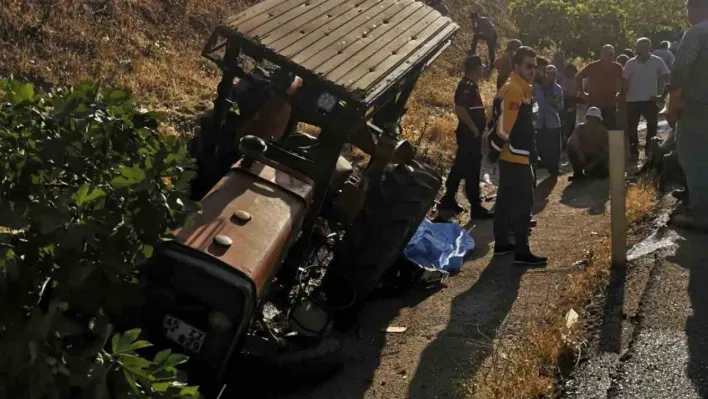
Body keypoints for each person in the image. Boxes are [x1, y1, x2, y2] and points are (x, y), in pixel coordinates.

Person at [488, 46, 548, 266]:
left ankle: (502, 244)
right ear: (516, 66)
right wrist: (495, 149)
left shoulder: (517, 87)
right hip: (515, 155)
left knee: (504, 201)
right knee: (524, 203)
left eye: (534, 66)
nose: (533, 70)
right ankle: (521, 251)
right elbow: (504, 126)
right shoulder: (515, 89)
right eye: (528, 66)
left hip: (514, 153)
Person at [666, 0, 708, 231]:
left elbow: (680, 71)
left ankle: (700, 212)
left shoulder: (697, 33)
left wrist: (672, 107)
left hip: (699, 107)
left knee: (694, 157)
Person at [439, 54, 494, 219]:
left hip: (470, 135)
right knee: (472, 170)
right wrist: (473, 128)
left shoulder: (471, 85)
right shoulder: (467, 86)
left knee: (460, 167)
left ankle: (448, 198)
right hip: (469, 135)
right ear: (475, 68)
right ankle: (475, 207)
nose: (483, 68)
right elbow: (460, 109)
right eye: (481, 66)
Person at [623, 37, 670, 160]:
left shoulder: (657, 61)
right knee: (632, 127)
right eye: (638, 47)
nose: (640, 50)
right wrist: (622, 97)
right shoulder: (630, 63)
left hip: (650, 100)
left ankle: (650, 151)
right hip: (632, 100)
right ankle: (633, 152)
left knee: (652, 126)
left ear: (649, 48)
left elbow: (668, 78)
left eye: (643, 47)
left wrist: (662, 96)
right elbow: (625, 82)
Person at [576, 44, 623, 129]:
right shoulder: (592, 66)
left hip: (610, 104)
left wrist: (619, 93)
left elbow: (621, 81)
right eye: (607, 54)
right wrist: (582, 93)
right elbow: (578, 77)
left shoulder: (617, 67)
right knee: (593, 128)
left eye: (611, 54)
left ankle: (611, 143)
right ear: (601, 54)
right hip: (594, 104)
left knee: (611, 129)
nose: (609, 56)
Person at [533, 65, 564, 175]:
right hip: (539, 121)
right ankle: (539, 165)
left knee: (554, 147)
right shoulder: (536, 87)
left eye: (554, 74)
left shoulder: (558, 88)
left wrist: (554, 103)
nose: (552, 77)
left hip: (553, 121)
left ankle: (554, 168)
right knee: (539, 145)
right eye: (549, 74)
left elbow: (561, 106)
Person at [567, 107, 609, 181]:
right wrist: (579, 153)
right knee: (571, 149)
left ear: (598, 120)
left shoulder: (604, 132)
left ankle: (591, 171)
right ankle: (578, 172)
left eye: (594, 119)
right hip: (582, 157)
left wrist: (592, 165)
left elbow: (605, 152)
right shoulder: (580, 128)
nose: (591, 121)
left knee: (603, 174)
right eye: (590, 118)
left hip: (596, 159)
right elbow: (571, 141)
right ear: (587, 118)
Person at [562, 64, 579, 144]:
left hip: (573, 105)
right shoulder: (562, 79)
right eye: (571, 72)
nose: (573, 73)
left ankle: (569, 142)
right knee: (565, 125)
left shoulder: (575, 80)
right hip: (564, 105)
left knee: (571, 125)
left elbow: (577, 91)